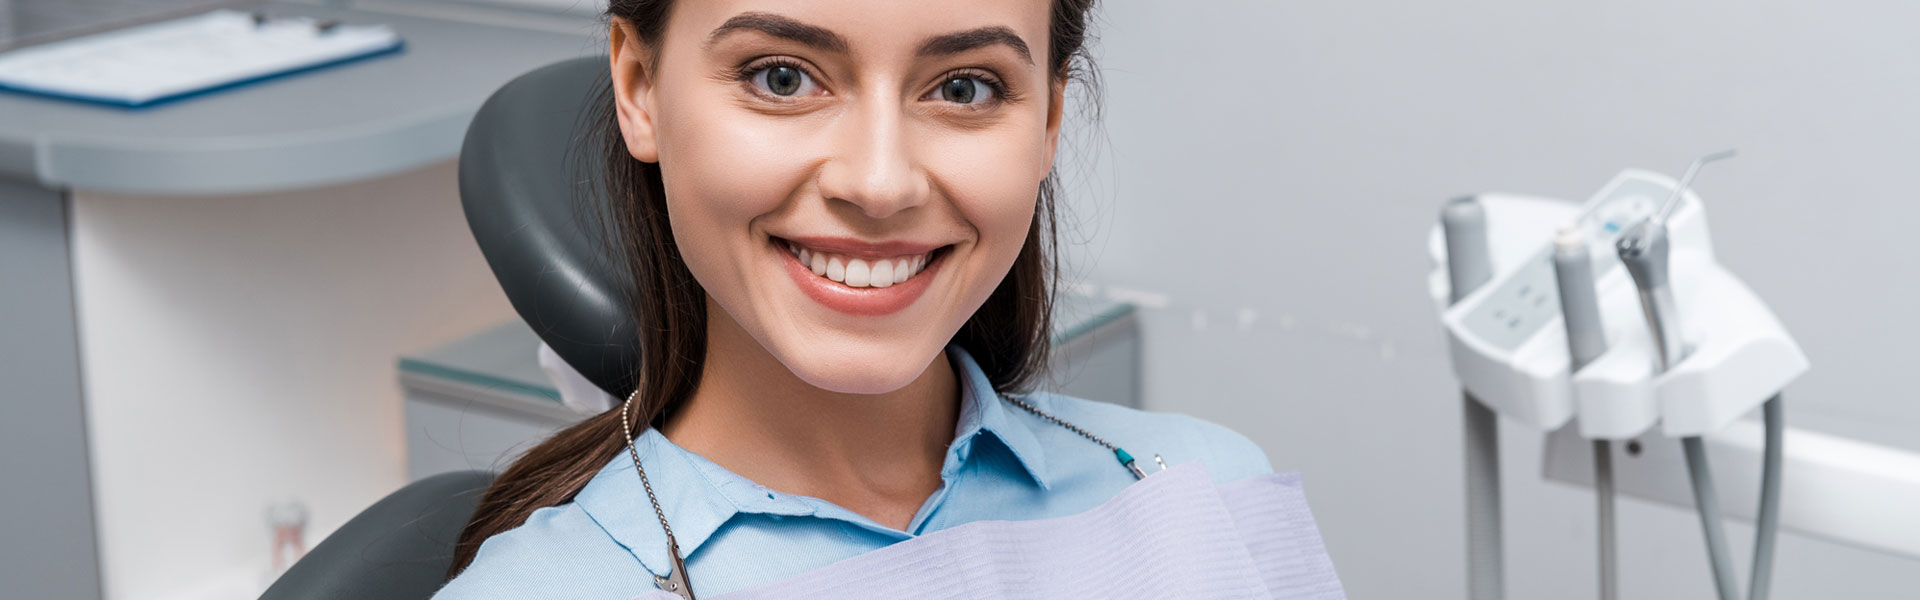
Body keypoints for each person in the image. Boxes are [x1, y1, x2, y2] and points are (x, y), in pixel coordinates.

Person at [433, 0, 1272, 597]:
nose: (880, 183)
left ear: (1049, 119)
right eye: (783, 78)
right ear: (639, 86)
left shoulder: (1205, 491)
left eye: (965, 87)